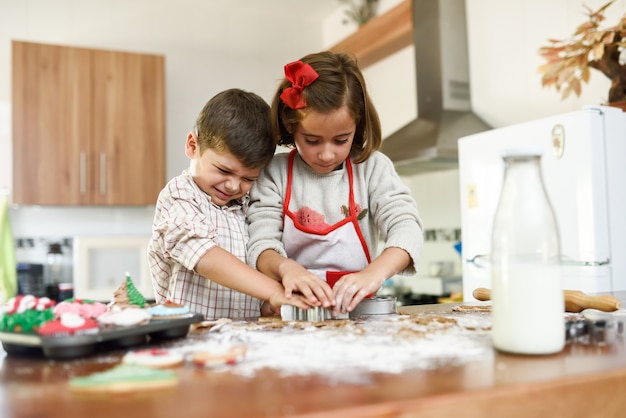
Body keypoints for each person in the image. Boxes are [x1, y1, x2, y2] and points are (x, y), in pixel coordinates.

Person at [246, 51, 423, 316]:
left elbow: (407, 228)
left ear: (358, 125)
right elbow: (261, 244)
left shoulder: (372, 168)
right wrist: (286, 269)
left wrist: (374, 273)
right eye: (312, 140)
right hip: (294, 314)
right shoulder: (275, 173)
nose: (327, 154)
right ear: (290, 125)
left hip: (358, 314)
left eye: (341, 140)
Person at [148, 88, 310, 320]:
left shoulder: (248, 205)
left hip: (243, 343)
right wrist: (274, 291)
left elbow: (248, 288)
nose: (234, 186)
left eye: (248, 178)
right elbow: (205, 257)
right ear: (193, 146)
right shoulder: (180, 195)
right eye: (224, 170)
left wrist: (265, 306)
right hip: (192, 340)